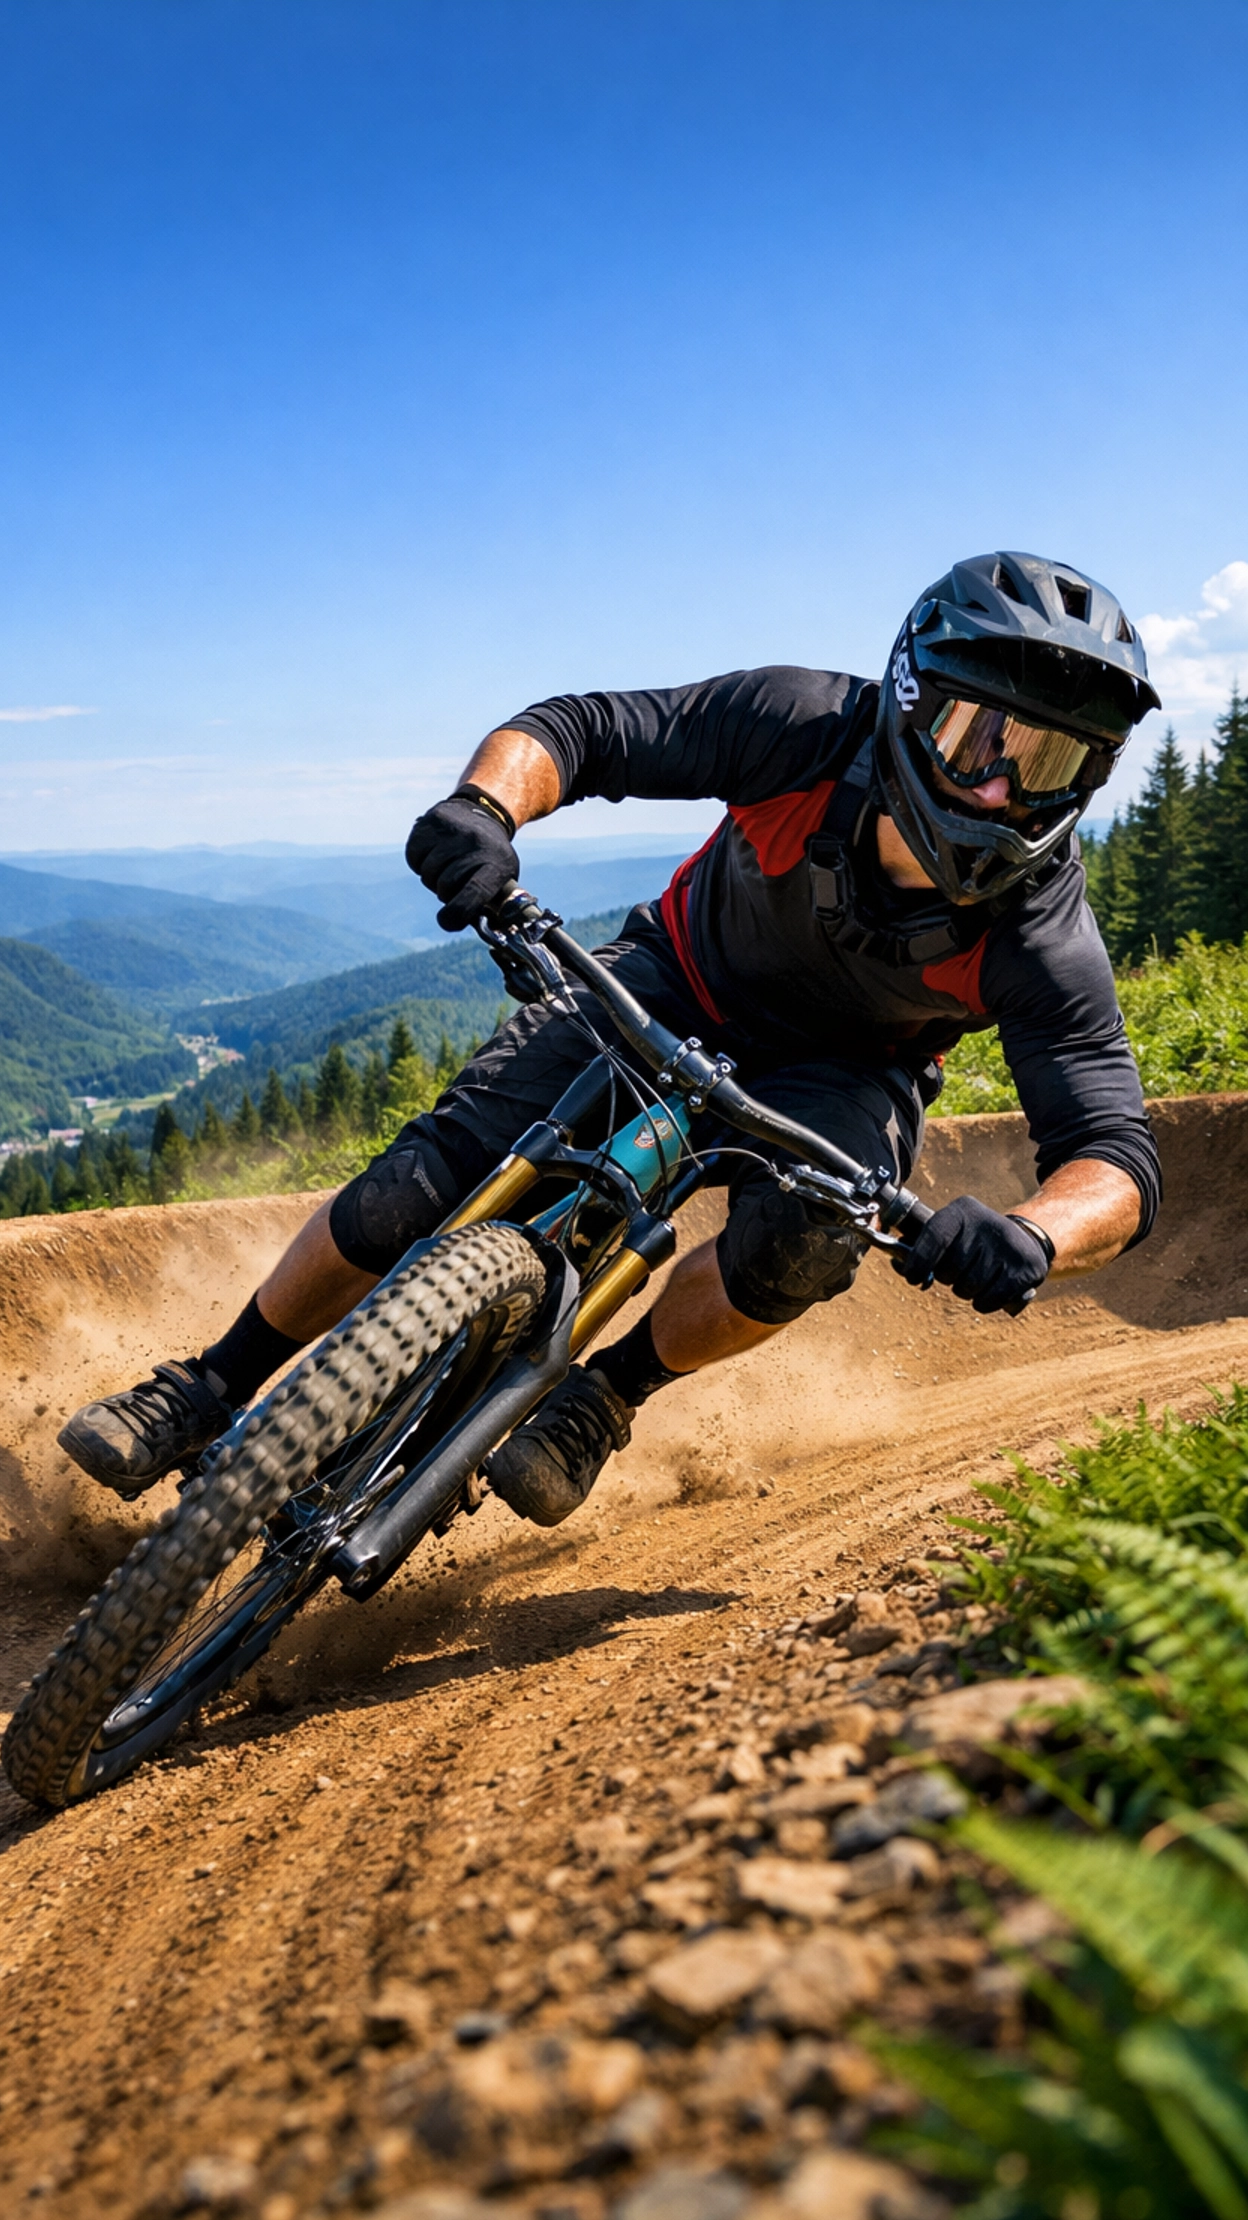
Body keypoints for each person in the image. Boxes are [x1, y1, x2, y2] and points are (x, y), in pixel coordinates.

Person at [59, 551, 1162, 1525]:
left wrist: (1033, 1237)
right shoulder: (801, 728)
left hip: (846, 1074)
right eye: (979, 739)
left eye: (1051, 765)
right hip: (674, 978)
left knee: (808, 1242)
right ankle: (210, 1383)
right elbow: (580, 734)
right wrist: (484, 810)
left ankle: (609, 1394)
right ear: (911, 705)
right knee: (424, 1179)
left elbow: (1113, 1152)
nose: (1003, 786)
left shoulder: (1040, 934)